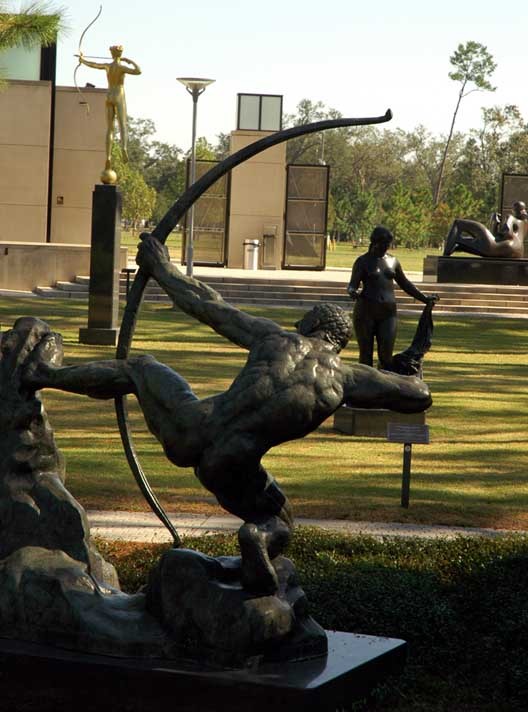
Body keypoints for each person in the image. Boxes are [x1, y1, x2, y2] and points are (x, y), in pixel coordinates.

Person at [23, 235, 432, 596]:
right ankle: (257, 539)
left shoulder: (276, 339)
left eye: (303, 318)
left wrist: (162, 268)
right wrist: (412, 367)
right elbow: (417, 397)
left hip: (191, 428)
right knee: (278, 521)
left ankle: (45, 375)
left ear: (315, 323)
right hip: (228, 464)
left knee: (139, 367)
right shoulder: (346, 379)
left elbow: (209, 306)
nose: (296, 321)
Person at [348, 226, 438, 370]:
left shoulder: (392, 261)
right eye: (383, 244)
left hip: (388, 314)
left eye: (388, 244)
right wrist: (352, 291)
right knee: (365, 356)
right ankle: (365, 384)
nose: (386, 247)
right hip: (366, 313)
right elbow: (352, 284)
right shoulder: (363, 261)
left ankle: (383, 383)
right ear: (375, 242)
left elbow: (405, 284)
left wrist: (424, 298)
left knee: (386, 357)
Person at [77, 45, 141, 169]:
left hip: (109, 96)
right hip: (119, 95)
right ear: (120, 54)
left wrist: (82, 60)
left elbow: (94, 64)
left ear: (112, 54)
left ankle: (108, 157)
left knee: (110, 129)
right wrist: (129, 61)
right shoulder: (121, 67)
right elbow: (138, 71)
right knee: (122, 125)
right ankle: (124, 148)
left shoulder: (108, 66)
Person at [443, 201, 528, 258]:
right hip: (517, 253)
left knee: (458, 223)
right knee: (460, 245)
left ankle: (445, 257)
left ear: (514, 210)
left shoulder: (511, 218)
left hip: (499, 248)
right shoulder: (525, 224)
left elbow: (505, 234)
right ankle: (457, 245)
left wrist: (494, 222)